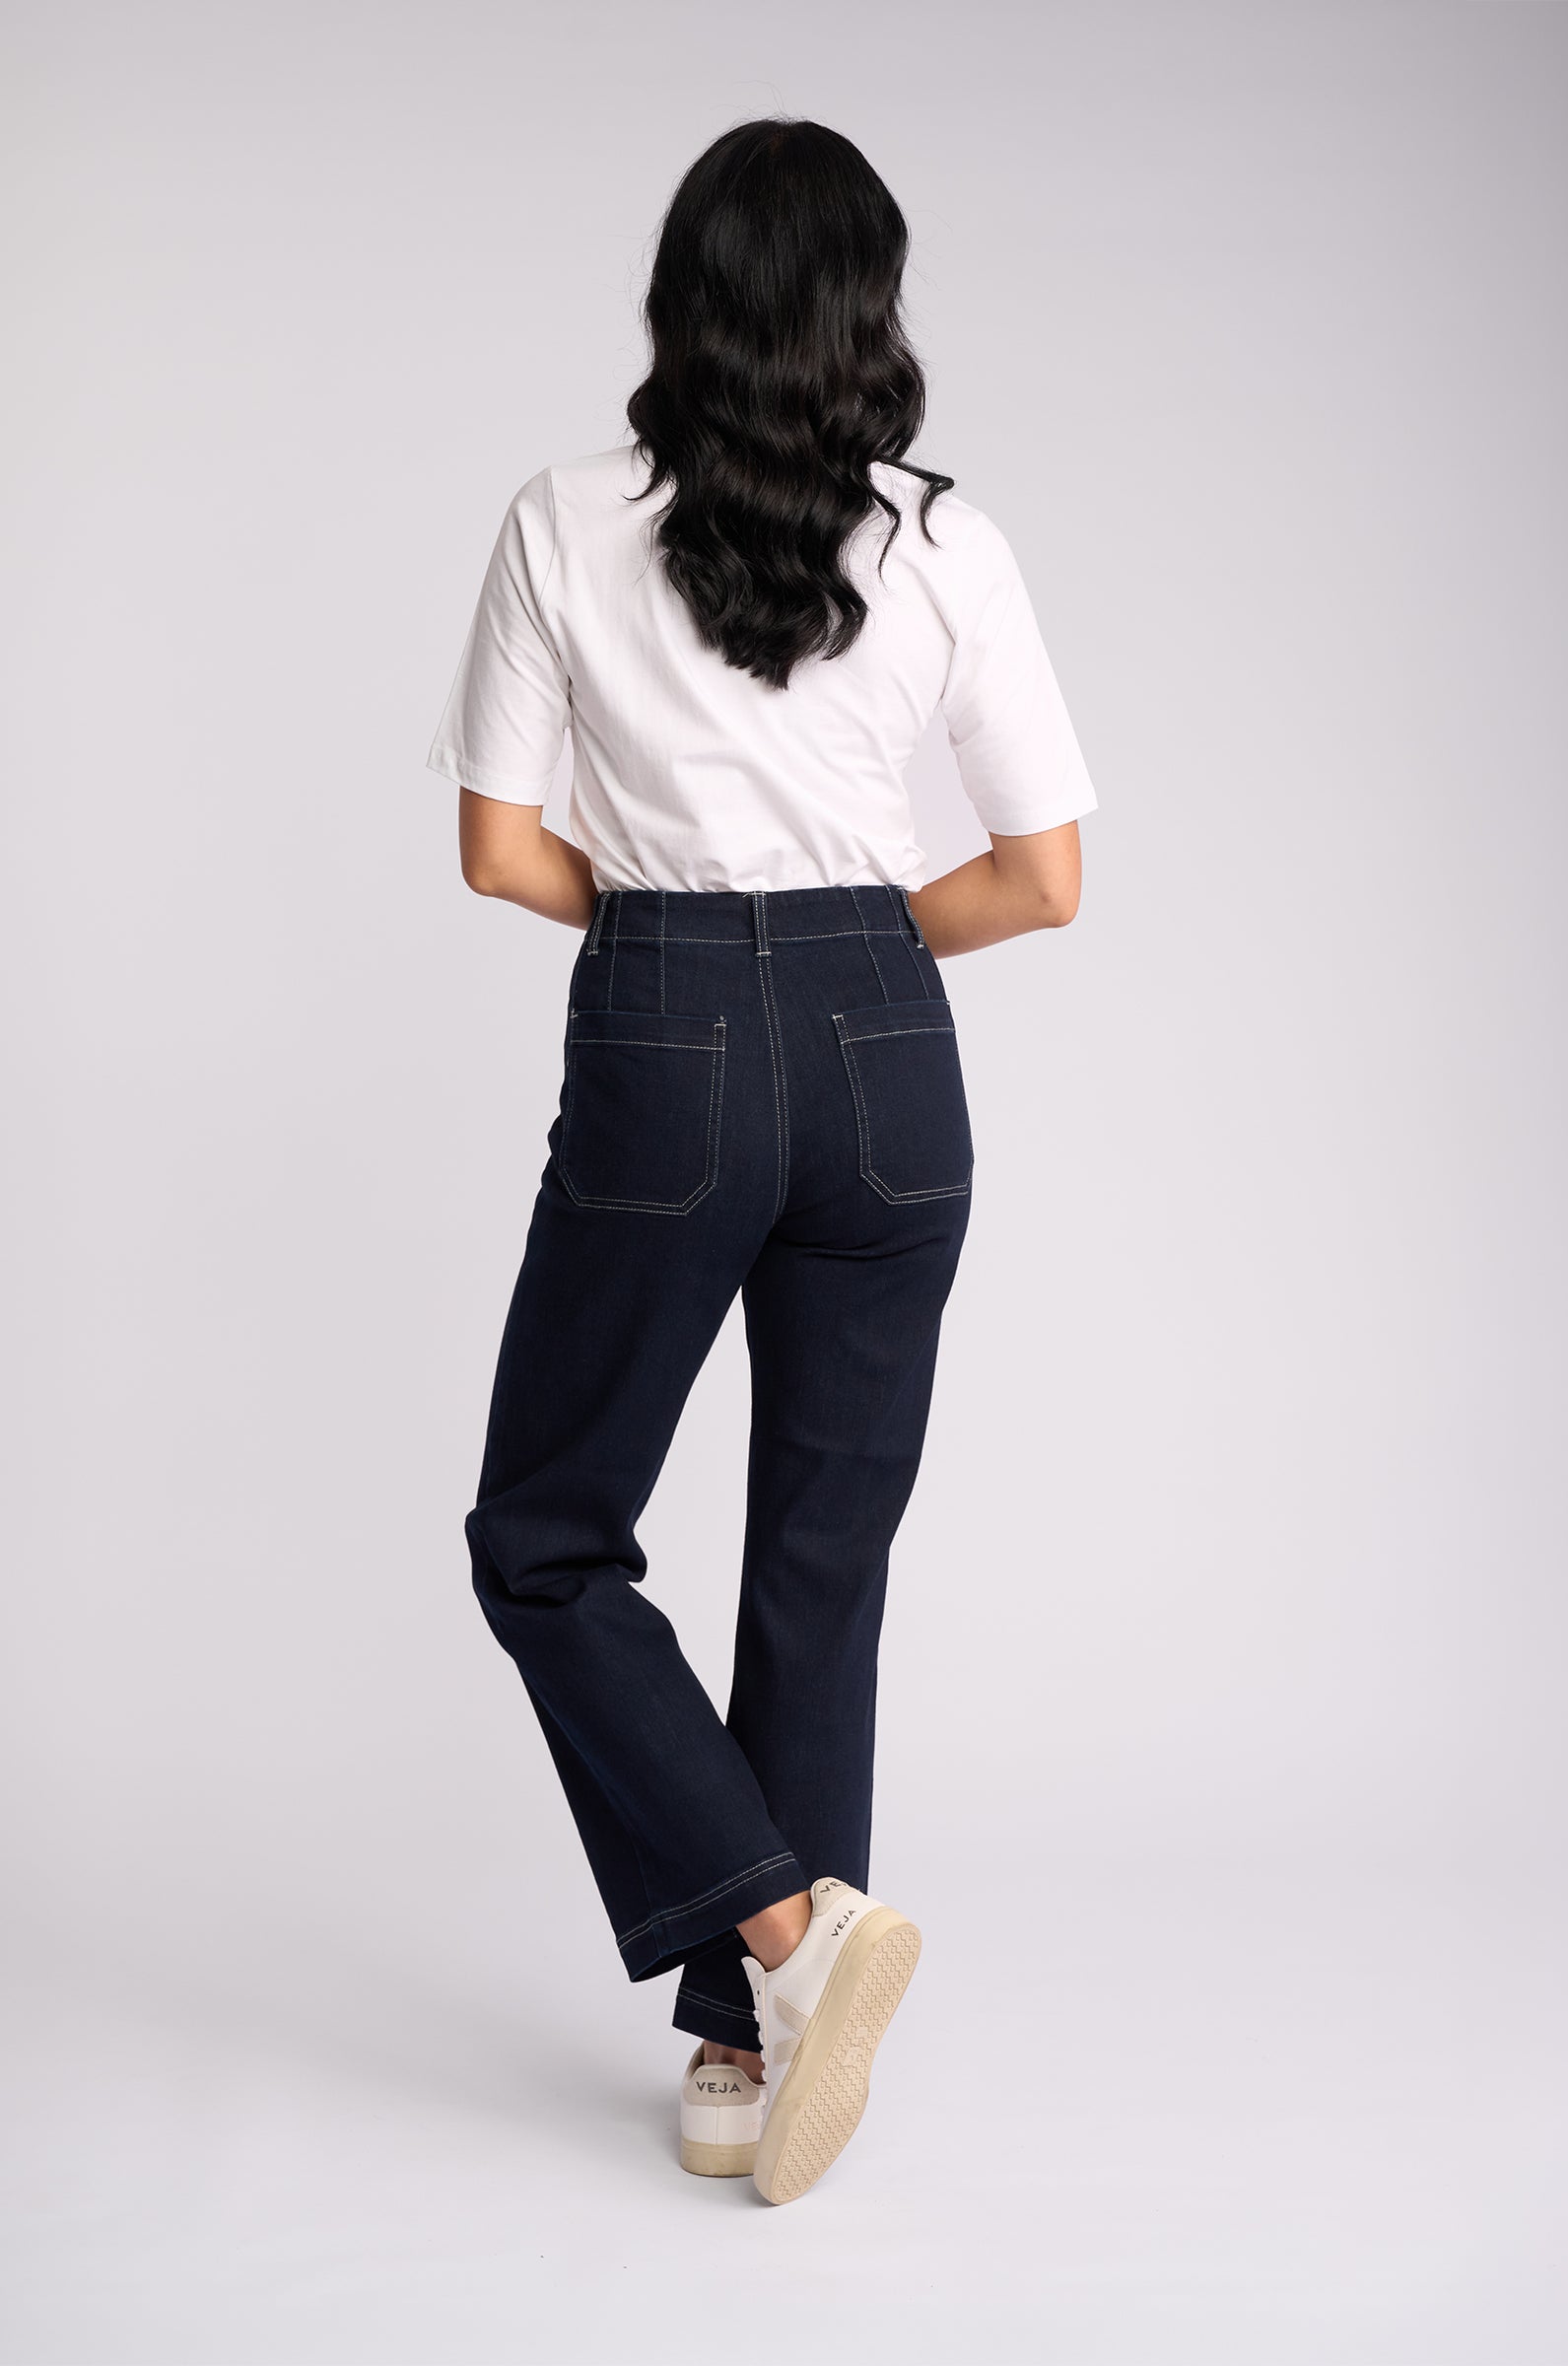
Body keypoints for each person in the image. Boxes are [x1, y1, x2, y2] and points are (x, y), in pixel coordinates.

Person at [430, 118, 1095, 2205]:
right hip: (895, 1046)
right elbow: (1048, 877)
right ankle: (758, 2016)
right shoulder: (948, 542)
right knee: (820, 1563)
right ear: (870, 315)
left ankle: (777, 1959)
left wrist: (681, 939)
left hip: (668, 1028)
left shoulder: (563, 518)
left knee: (545, 1534)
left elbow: (498, 849)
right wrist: (856, 945)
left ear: (682, 301)